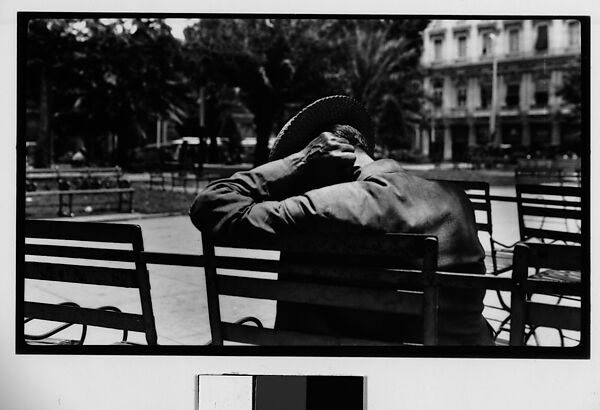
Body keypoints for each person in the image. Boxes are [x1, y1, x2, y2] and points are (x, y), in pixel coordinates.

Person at [189, 95, 494, 345]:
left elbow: (211, 203)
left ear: (325, 157)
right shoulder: (457, 200)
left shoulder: (325, 208)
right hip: (461, 375)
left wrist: (298, 163)